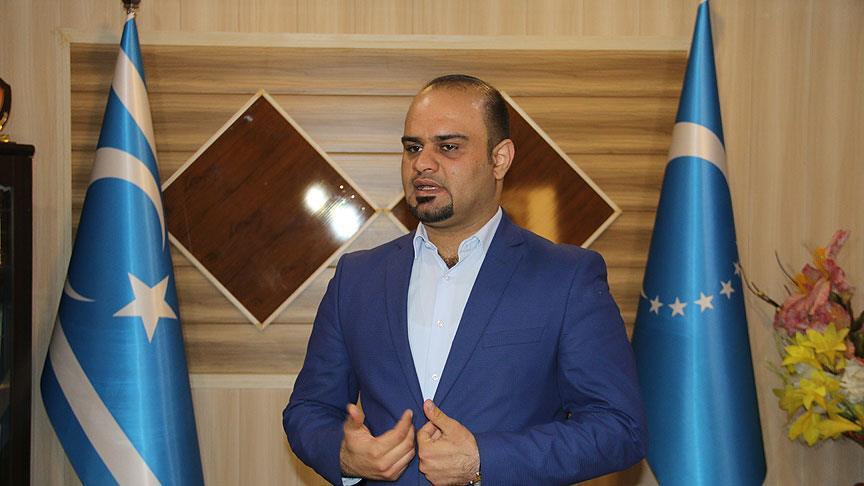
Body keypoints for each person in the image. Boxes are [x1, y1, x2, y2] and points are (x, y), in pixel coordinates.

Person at [283, 74, 647, 485]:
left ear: (500, 159)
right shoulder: (357, 278)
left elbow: (620, 429)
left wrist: (484, 459)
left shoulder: (566, 278)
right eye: (413, 147)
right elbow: (308, 410)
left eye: (448, 146)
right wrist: (344, 455)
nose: (422, 163)